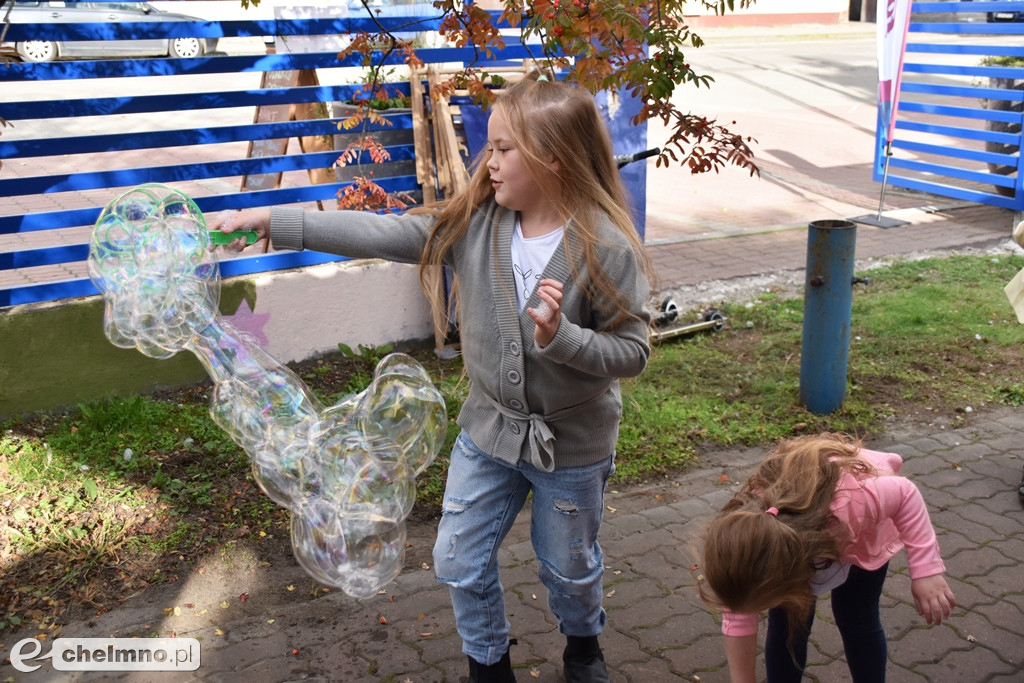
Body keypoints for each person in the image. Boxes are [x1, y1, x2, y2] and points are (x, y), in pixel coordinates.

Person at [210, 72, 653, 683]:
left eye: (502, 149)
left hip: (570, 445)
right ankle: (488, 665)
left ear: (554, 159)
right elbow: (393, 233)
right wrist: (279, 221)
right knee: (457, 560)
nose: (486, 161)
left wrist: (566, 340)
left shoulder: (607, 247)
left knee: (566, 568)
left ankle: (583, 644)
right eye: (488, 147)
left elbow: (632, 350)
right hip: (490, 432)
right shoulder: (479, 224)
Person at [698, 433, 956, 683]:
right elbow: (738, 617)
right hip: (804, 536)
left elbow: (905, 493)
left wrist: (926, 570)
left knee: (856, 616)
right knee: (789, 626)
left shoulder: (854, 504)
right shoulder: (747, 552)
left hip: (861, 530)